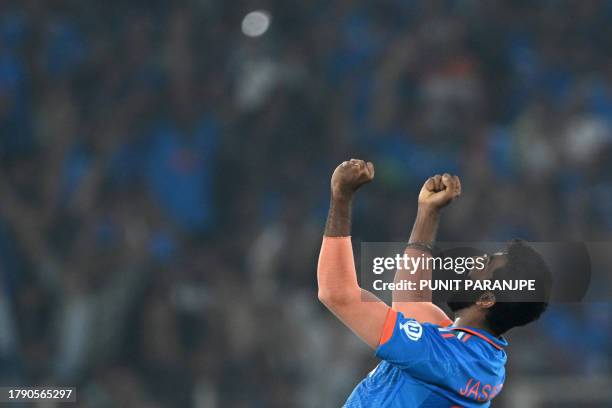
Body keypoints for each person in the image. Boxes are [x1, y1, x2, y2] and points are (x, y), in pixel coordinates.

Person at [317, 159, 552, 407]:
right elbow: (410, 301)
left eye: (485, 264)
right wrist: (428, 213)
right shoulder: (472, 354)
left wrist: (341, 197)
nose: (471, 263)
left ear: (486, 298)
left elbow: (337, 293)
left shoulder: (444, 358)